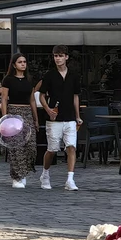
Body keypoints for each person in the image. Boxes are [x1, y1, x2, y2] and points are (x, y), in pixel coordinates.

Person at [36, 45, 82, 192]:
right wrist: (48, 109)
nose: (58, 58)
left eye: (60, 55)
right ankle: (45, 174)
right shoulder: (49, 75)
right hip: (54, 118)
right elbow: (41, 94)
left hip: (69, 117)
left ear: (66, 57)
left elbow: (76, 96)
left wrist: (78, 116)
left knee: (71, 147)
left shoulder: (74, 75)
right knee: (52, 149)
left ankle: (70, 178)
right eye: (56, 56)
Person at [0, 53, 38, 189]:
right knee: (16, 147)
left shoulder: (29, 80)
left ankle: (24, 172)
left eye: (24, 62)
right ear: (14, 64)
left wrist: (36, 118)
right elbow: (4, 98)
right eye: (20, 62)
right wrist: (5, 118)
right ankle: (16, 176)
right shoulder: (8, 80)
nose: (23, 64)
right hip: (14, 112)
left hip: (27, 112)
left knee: (31, 146)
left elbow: (32, 100)